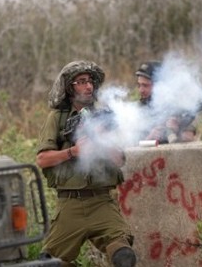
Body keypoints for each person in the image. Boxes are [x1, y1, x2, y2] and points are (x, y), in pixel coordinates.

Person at [36, 60, 136, 267]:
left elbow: (119, 160)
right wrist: (74, 151)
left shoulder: (106, 117)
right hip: (70, 203)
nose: (88, 86)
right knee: (48, 263)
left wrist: (101, 139)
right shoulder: (57, 118)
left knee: (123, 256)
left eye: (90, 82)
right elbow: (43, 159)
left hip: (101, 201)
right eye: (81, 82)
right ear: (69, 88)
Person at [135, 60, 196, 144]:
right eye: (139, 85)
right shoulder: (138, 110)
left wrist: (176, 131)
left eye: (145, 85)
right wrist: (150, 138)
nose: (141, 90)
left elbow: (189, 139)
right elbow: (130, 147)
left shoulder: (176, 107)